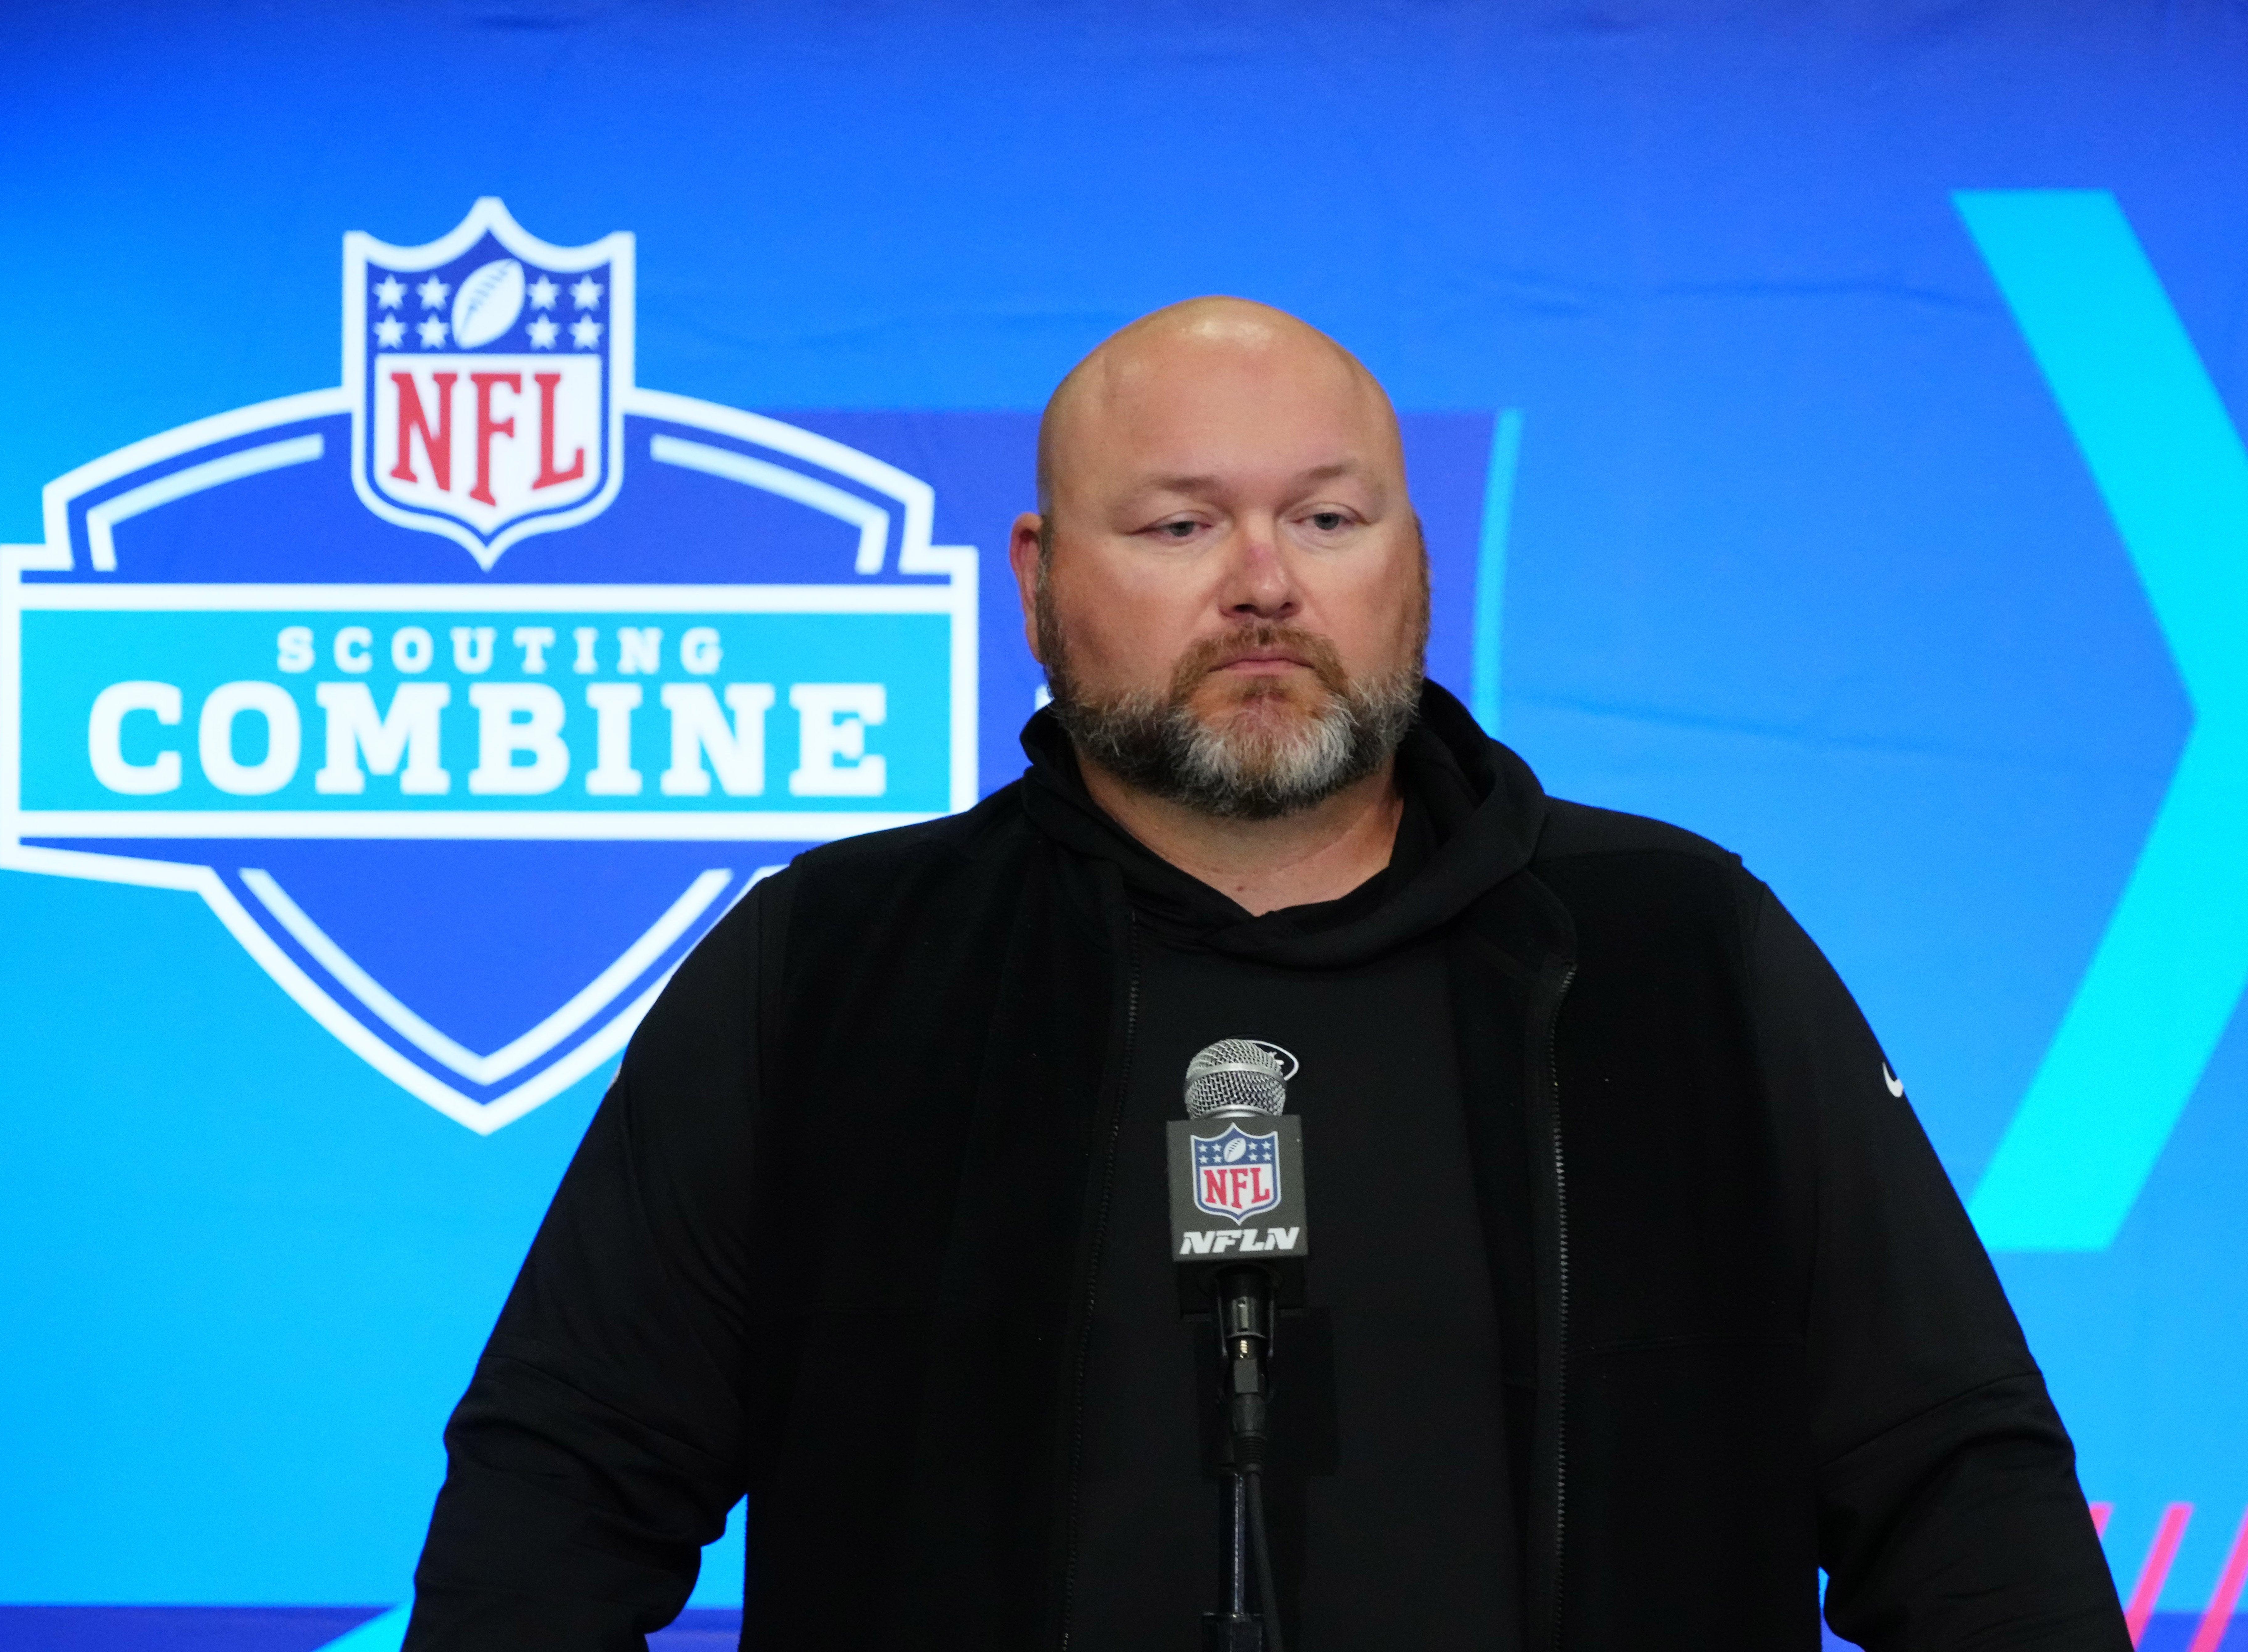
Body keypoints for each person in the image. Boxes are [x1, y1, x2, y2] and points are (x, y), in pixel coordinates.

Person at [408, 299, 2128, 1651]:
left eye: (1325, 516)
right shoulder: (836, 967)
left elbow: (1955, 1488)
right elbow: (549, 1506)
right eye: (1175, 525)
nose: (1261, 585)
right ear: (1036, 579)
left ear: (1414, 564)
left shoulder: (1672, 948)